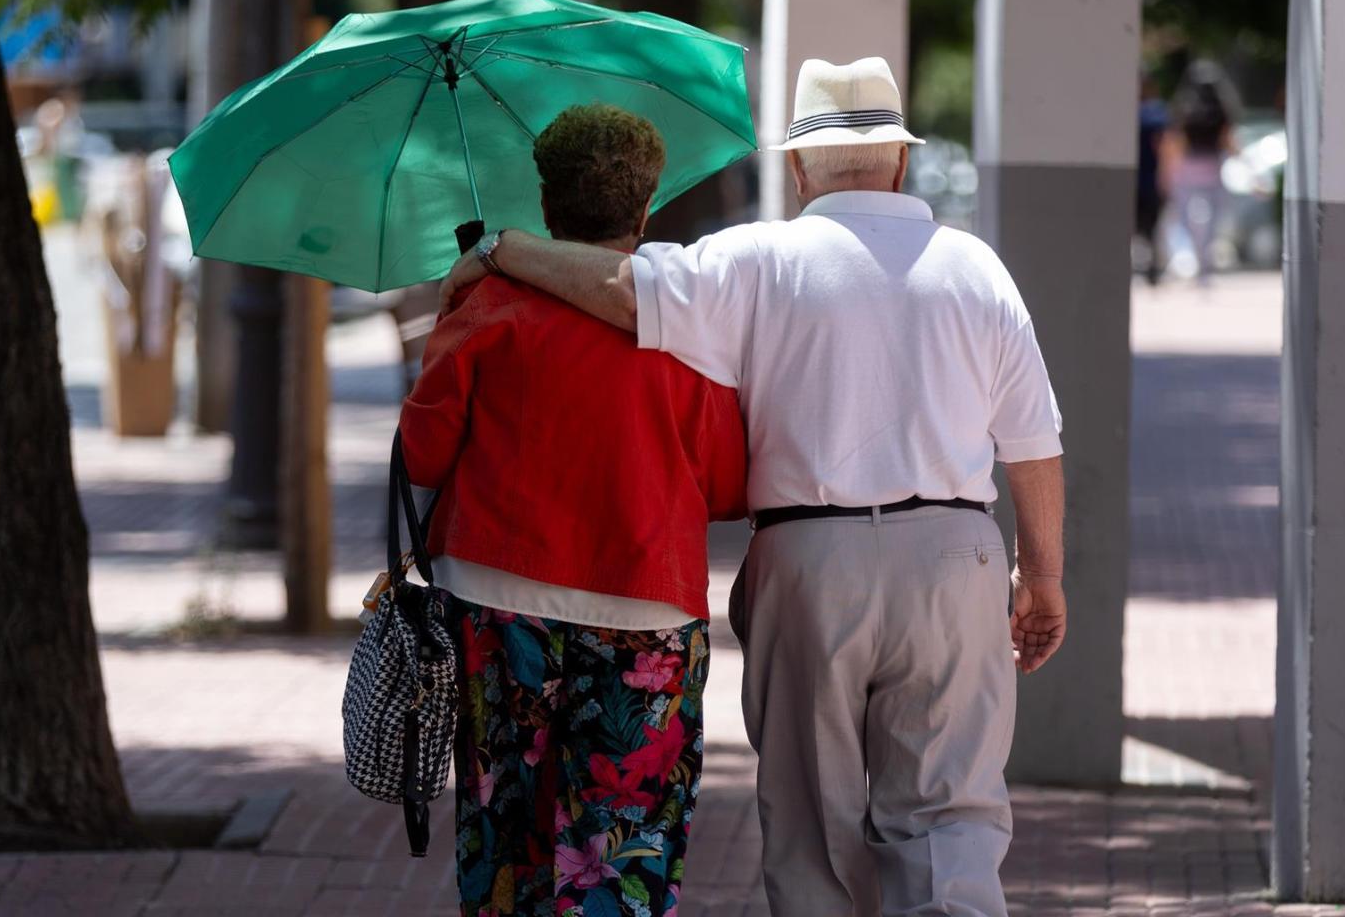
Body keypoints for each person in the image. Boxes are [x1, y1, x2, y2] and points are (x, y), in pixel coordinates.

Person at [441, 58, 1068, 917]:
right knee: (950, 813)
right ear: (900, 163)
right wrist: (1043, 576)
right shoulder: (976, 269)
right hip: (954, 555)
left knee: (815, 823)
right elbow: (1033, 446)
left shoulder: (756, 257)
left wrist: (501, 249)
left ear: (799, 168)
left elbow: (621, 289)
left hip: (810, 558)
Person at [398, 104, 748, 917]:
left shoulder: (488, 309)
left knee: (505, 835)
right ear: (647, 207)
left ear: (549, 207)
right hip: (644, 605)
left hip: (496, 601)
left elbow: (421, 454)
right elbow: (728, 487)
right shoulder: (687, 331)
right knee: (625, 848)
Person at [1163, 59, 1241, 283]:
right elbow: (1229, 141)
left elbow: (1176, 142)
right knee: (1214, 220)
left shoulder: (1184, 106)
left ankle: (1198, 256)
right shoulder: (1222, 108)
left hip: (1188, 170)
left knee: (1186, 218)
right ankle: (1204, 263)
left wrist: (1169, 171)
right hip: (1213, 169)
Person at [1136, 73, 1170, 285]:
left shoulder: (1138, 112)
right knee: (1152, 228)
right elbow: (1165, 147)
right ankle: (1152, 267)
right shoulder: (1157, 113)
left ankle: (1150, 266)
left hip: (1140, 180)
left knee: (1145, 227)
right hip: (1150, 180)